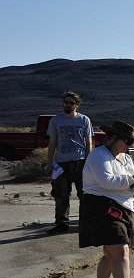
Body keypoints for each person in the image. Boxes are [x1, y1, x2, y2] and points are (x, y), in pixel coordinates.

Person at [80, 121, 134, 278]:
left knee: (111, 254)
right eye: (127, 141)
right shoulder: (98, 155)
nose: (129, 146)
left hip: (124, 207)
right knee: (121, 250)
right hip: (100, 206)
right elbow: (106, 181)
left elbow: (130, 187)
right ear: (113, 138)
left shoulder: (126, 159)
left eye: (131, 142)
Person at [45, 91, 94, 235]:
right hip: (61, 163)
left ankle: (85, 223)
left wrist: (89, 162)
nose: (67, 105)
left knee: (85, 194)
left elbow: (89, 143)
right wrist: (49, 162)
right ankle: (62, 223)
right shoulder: (56, 121)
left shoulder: (84, 120)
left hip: (80, 162)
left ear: (77, 105)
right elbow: (52, 143)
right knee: (61, 195)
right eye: (65, 102)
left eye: (71, 103)